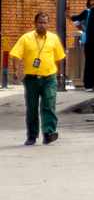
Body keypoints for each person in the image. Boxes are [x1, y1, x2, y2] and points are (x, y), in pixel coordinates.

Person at [10, 12, 68, 145]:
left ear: (48, 24)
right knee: (32, 108)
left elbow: (60, 58)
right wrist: (16, 71)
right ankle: (32, 135)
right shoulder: (26, 38)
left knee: (49, 104)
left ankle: (48, 133)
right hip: (31, 79)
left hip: (49, 78)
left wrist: (59, 74)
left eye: (45, 22)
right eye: (40, 22)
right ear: (35, 23)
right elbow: (16, 55)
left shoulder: (53, 38)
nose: (42, 25)